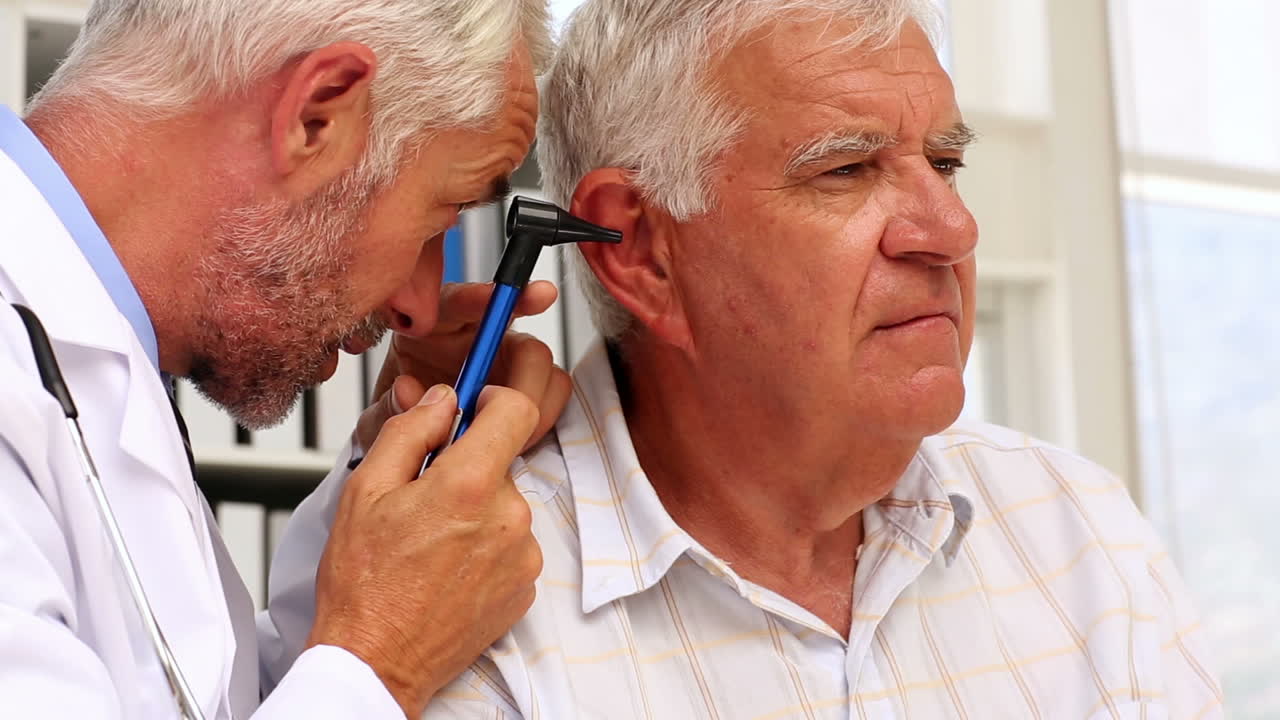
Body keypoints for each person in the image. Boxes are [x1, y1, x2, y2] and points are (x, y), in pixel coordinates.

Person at [270, 0, 1226, 718]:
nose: (952, 230)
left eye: (945, 162)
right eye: (846, 169)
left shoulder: (1079, 533)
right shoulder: (448, 595)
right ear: (642, 251)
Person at [0, 1, 573, 718]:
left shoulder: (94, 360)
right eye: (442, 213)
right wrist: (384, 662)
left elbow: (213, 699)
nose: (419, 310)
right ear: (316, 116)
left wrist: (395, 509)